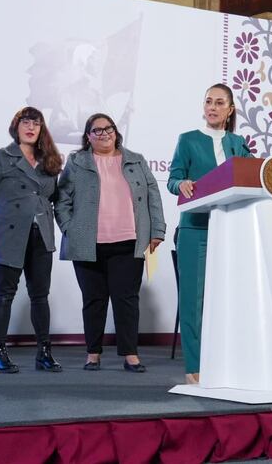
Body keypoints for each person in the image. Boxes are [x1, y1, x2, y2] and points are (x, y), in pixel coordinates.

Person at [55, 113, 166, 372]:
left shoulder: (136, 160)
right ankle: (93, 353)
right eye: (97, 130)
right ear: (88, 136)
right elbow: (62, 200)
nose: (104, 133)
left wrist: (157, 230)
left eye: (109, 128)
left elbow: (153, 195)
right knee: (93, 300)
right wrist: (70, 229)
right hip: (88, 244)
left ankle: (130, 355)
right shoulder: (77, 162)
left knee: (126, 300)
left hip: (129, 241)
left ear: (116, 132)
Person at [166, 83, 252, 384]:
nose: (212, 107)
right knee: (194, 301)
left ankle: (228, 362)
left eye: (219, 103)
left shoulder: (238, 143)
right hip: (196, 228)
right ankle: (195, 367)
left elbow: (251, 178)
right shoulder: (188, 140)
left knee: (229, 299)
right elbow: (173, 179)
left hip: (230, 230)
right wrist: (181, 184)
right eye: (208, 102)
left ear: (230, 110)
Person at [0, 106, 63, 374]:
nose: (31, 127)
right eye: (26, 122)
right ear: (16, 127)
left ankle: (44, 353)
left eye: (36, 123)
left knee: (40, 296)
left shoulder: (49, 160)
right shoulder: (1, 157)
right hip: (10, 235)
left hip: (41, 235)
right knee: (4, 294)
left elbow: (52, 197)